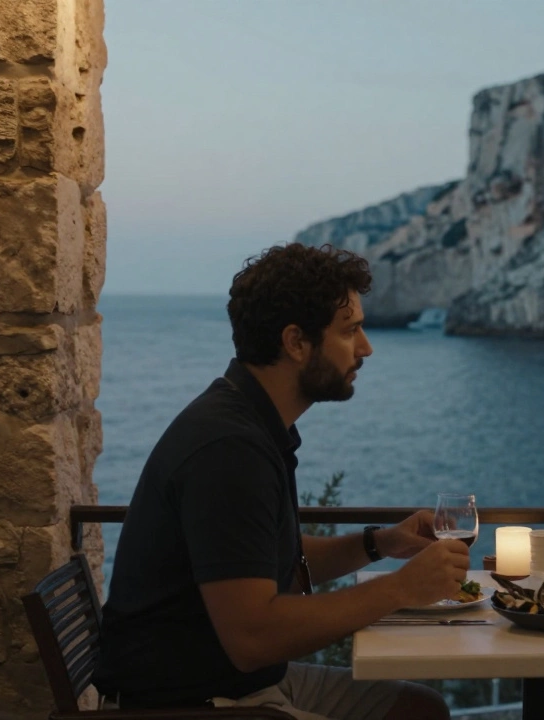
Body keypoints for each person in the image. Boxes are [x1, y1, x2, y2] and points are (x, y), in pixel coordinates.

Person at [94, 243, 466, 720]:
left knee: (417, 709)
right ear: (295, 342)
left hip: (237, 683)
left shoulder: (251, 423)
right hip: (196, 703)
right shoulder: (228, 449)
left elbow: (272, 559)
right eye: (350, 330)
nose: (366, 347)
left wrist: (381, 543)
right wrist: (401, 589)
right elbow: (254, 637)